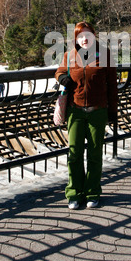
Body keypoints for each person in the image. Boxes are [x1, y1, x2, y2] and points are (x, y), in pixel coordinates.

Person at [55, 22, 118, 210]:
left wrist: (113, 111)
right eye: (80, 35)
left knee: (94, 154)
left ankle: (92, 192)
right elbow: (59, 71)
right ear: (76, 38)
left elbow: (113, 86)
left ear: (94, 36)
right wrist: (61, 78)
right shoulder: (70, 55)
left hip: (97, 111)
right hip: (75, 110)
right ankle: (74, 193)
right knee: (74, 154)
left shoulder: (105, 55)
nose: (84, 39)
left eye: (87, 35)